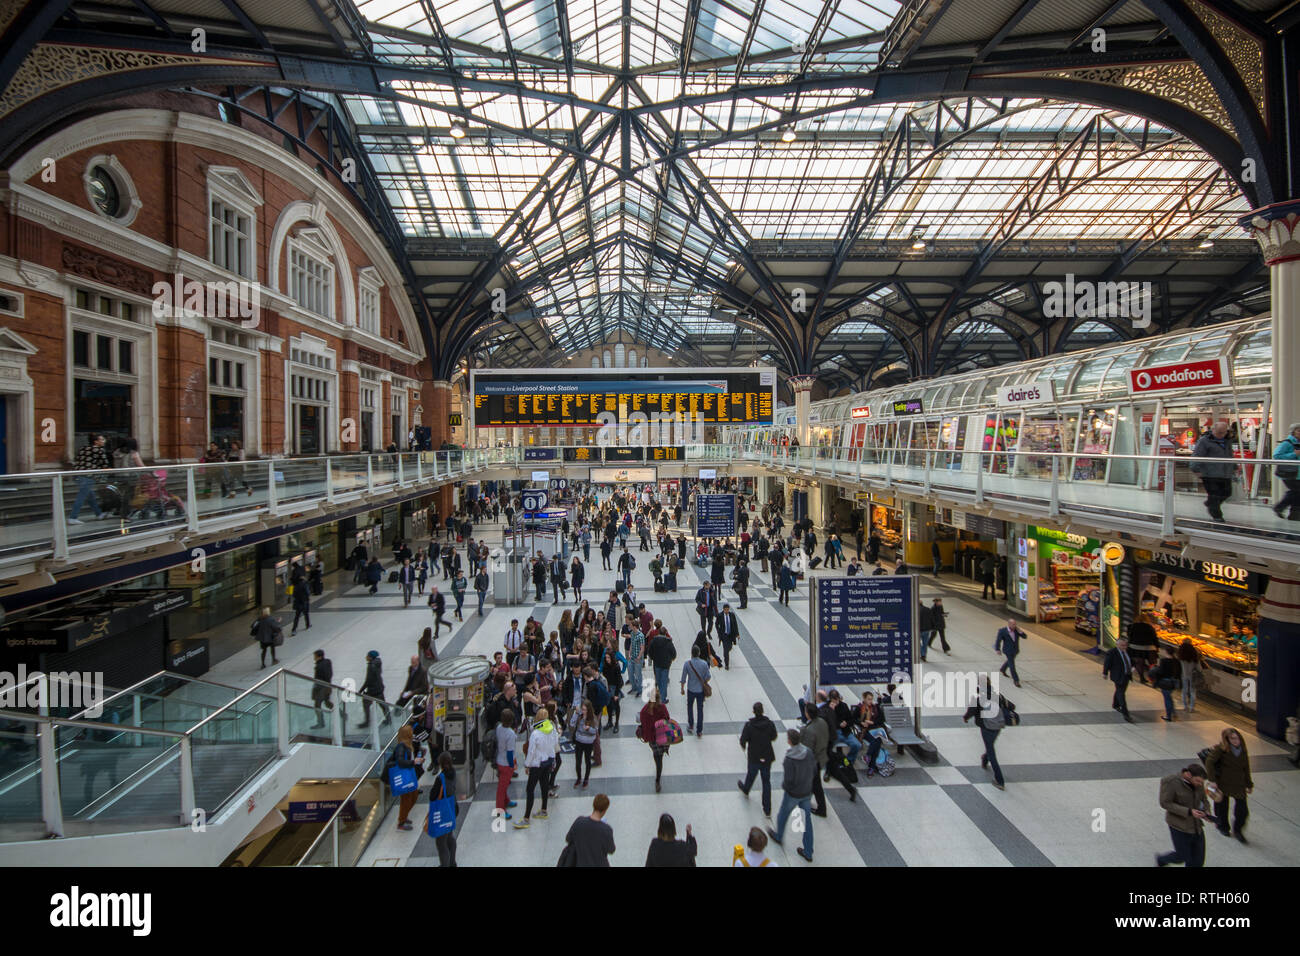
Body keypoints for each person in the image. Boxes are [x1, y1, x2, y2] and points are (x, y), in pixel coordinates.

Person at [767, 728, 815, 863]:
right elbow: (814, 768)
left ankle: (778, 835)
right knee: (807, 822)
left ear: (789, 741)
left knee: (783, 814)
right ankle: (808, 851)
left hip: (793, 793)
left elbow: (788, 780)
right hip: (806, 792)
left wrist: (786, 788)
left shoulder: (790, 758)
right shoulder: (808, 752)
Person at [1156, 764, 1212, 867]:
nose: (1200, 784)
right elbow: (1165, 803)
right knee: (1181, 856)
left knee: (1198, 860)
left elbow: (1204, 800)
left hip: (1196, 827)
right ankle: (1162, 859)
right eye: (1198, 781)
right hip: (1179, 827)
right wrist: (1189, 812)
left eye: (1201, 782)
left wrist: (1206, 811)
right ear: (1188, 774)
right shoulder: (1170, 782)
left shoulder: (1199, 785)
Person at [1205, 728, 1253, 843]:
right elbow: (1209, 761)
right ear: (1227, 739)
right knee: (1222, 806)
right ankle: (1223, 826)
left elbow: (1246, 767)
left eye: (1237, 738)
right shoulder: (1221, 749)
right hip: (1223, 782)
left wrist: (1249, 783)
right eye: (1232, 738)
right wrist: (1212, 780)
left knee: (1243, 811)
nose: (1236, 741)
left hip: (1239, 784)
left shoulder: (1243, 750)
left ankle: (1238, 830)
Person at [513, 708, 557, 829]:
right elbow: (555, 743)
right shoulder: (552, 729)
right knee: (544, 785)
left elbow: (531, 751)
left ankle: (526, 818)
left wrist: (527, 765)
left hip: (537, 764)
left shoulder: (536, 733)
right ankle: (544, 810)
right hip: (548, 761)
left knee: (530, 789)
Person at [963, 679, 1006, 790]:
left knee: (991, 751)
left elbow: (971, 711)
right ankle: (984, 758)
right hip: (998, 726)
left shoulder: (978, 698)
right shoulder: (997, 695)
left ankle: (999, 780)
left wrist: (966, 718)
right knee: (990, 745)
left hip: (987, 727)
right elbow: (1011, 706)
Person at [1190, 419, 1235, 522]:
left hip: (1225, 473)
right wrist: (1195, 468)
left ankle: (1210, 503)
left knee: (1227, 493)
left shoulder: (1227, 440)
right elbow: (1197, 455)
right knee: (1214, 494)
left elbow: (1229, 455)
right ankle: (1217, 515)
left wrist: (1234, 467)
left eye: (1224, 432)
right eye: (1219, 432)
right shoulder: (1204, 441)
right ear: (1213, 430)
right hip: (1209, 473)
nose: (1221, 435)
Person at [738, 701, 778, 817]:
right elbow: (774, 736)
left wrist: (744, 745)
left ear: (754, 712)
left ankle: (746, 789)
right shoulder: (769, 724)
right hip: (767, 756)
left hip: (754, 756)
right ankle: (767, 809)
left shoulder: (749, 725)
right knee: (766, 781)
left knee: (751, 774)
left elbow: (743, 740)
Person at [68, 433, 111, 524]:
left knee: (90, 496)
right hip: (88, 476)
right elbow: (105, 465)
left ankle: (98, 514)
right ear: (96, 441)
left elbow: (78, 460)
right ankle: (73, 517)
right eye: (102, 440)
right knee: (81, 496)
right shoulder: (99, 450)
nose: (104, 441)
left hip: (77, 474)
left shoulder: (84, 448)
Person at [563, 793, 615, 867]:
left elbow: (568, 839)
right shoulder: (606, 829)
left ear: (593, 805)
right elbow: (611, 850)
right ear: (605, 809)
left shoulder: (579, 822)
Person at [799, 701, 829, 816]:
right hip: (822, 756)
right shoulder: (822, 722)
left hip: (813, 762)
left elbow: (807, 750)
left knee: (816, 785)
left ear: (808, 714)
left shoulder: (809, 730)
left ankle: (822, 809)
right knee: (813, 782)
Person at [637, 690, 671, 792]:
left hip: (652, 739)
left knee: (657, 757)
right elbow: (667, 720)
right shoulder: (662, 708)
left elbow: (643, 724)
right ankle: (657, 779)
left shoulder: (644, 710)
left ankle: (658, 778)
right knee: (659, 758)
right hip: (662, 737)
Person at [391, 725, 423, 830]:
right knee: (407, 799)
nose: (412, 734)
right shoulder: (401, 746)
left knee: (413, 796)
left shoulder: (407, 745)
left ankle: (403, 817)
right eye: (411, 732)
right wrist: (414, 762)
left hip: (409, 775)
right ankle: (401, 822)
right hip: (405, 777)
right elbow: (400, 761)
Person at [430, 752, 457, 867]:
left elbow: (432, 796)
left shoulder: (440, 778)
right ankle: (452, 863)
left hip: (442, 811)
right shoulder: (453, 772)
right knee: (450, 836)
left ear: (441, 764)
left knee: (441, 842)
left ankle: (445, 865)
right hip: (452, 808)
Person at [1102, 636, 1137, 723]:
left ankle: (1115, 704)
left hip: (1127, 675)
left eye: (1125, 645)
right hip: (1118, 675)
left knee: (1120, 690)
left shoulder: (1128, 651)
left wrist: (1133, 667)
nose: (1124, 647)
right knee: (1121, 693)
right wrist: (1105, 673)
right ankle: (1126, 713)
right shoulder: (1112, 652)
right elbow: (1107, 663)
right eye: (1122, 645)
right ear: (1117, 645)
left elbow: (1132, 661)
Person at [493, 707, 518, 820]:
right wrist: (512, 766)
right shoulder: (511, 734)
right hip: (506, 763)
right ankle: (500, 810)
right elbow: (509, 752)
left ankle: (506, 801)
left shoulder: (499, 728)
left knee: (504, 784)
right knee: (501, 788)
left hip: (499, 760)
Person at [1271, 422, 1300, 519]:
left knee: (1297, 492)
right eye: (1298, 430)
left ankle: (1294, 514)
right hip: (1289, 473)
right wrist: (1293, 454)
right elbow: (1276, 455)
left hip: (1298, 474)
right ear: (1293, 432)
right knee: (1296, 491)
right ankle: (1280, 507)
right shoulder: (1287, 443)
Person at [680, 647, 711, 738]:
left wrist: (682, 689)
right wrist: (704, 682)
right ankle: (699, 730)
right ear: (699, 653)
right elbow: (708, 676)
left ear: (691, 653)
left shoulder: (687, 664)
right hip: (700, 690)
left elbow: (683, 678)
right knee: (700, 709)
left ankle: (691, 725)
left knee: (690, 707)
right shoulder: (704, 664)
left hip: (691, 689)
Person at [357, 649, 390, 727]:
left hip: (373, 690)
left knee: (366, 703)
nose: (366, 657)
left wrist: (361, 690)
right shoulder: (378, 663)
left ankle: (367, 722)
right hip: (379, 687)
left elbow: (368, 680)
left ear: (371, 657)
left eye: (367, 656)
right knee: (382, 704)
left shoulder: (371, 666)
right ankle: (388, 719)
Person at [572, 700, 600, 788]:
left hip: (588, 743)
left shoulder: (593, 718)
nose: (583, 711)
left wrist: (589, 729)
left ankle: (586, 779)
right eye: (582, 709)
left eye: (585, 710)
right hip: (579, 742)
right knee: (578, 761)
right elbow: (572, 723)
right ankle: (579, 778)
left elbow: (595, 731)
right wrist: (576, 714)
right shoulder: (579, 716)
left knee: (587, 761)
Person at [647, 625, 677, 703]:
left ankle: (659, 696)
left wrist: (653, 658)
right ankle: (662, 699)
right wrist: (671, 659)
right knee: (664, 682)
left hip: (657, 663)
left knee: (658, 680)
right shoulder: (668, 642)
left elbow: (650, 651)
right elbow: (674, 653)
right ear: (665, 633)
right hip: (666, 664)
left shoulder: (654, 641)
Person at [1151, 645, 1180, 721]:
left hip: (1165, 682)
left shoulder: (1164, 661)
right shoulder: (1176, 661)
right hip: (1173, 682)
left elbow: (1161, 672)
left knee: (1167, 699)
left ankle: (1169, 715)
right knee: (1169, 697)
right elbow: (1179, 672)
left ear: (1166, 652)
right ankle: (1173, 713)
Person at [994, 618, 1025, 687]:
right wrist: (997, 649)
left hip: (1015, 650)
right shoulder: (1003, 631)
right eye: (1013, 624)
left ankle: (1003, 669)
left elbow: (1025, 637)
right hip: (1008, 650)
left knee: (1010, 661)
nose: (1015, 626)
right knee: (1012, 665)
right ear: (1009, 624)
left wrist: (1021, 632)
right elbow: (998, 640)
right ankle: (1016, 680)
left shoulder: (1017, 630)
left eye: (1015, 624)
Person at [1177, 638, 1203, 713]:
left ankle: (1185, 707)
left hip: (1184, 674)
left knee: (1184, 690)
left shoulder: (1181, 654)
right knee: (1192, 691)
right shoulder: (1194, 654)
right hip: (1193, 675)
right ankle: (1192, 707)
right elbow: (1199, 668)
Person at [310, 649, 333, 728]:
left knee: (317, 705)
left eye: (315, 656)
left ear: (318, 656)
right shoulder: (327, 662)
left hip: (321, 688)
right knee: (327, 703)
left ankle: (320, 723)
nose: (314, 657)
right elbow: (329, 675)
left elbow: (321, 677)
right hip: (327, 687)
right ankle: (341, 714)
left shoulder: (319, 666)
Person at [716, 603, 739, 670]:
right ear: (723, 609)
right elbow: (716, 624)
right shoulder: (720, 615)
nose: (726, 611)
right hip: (724, 635)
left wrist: (737, 634)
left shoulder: (732, 615)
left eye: (728, 609)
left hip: (731, 635)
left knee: (729, 647)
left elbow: (735, 624)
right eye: (725, 610)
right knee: (725, 650)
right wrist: (719, 632)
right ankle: (726, 664)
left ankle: (729, 648)